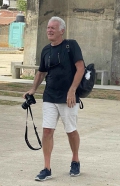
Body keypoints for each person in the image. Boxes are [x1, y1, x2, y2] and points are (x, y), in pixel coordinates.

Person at [23, 16, 85, 181]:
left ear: (61, 31)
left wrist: (72, 90)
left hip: (68, 98)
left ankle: (75, 160)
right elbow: (41, 72)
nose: (49, 30)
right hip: (50, 96)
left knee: (71, 131)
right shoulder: (45, 50)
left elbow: (81, 69)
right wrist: (33, 89)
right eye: (48, 28)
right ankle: (47, 168)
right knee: (47, 130)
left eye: (53, 28)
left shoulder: (71, 46)